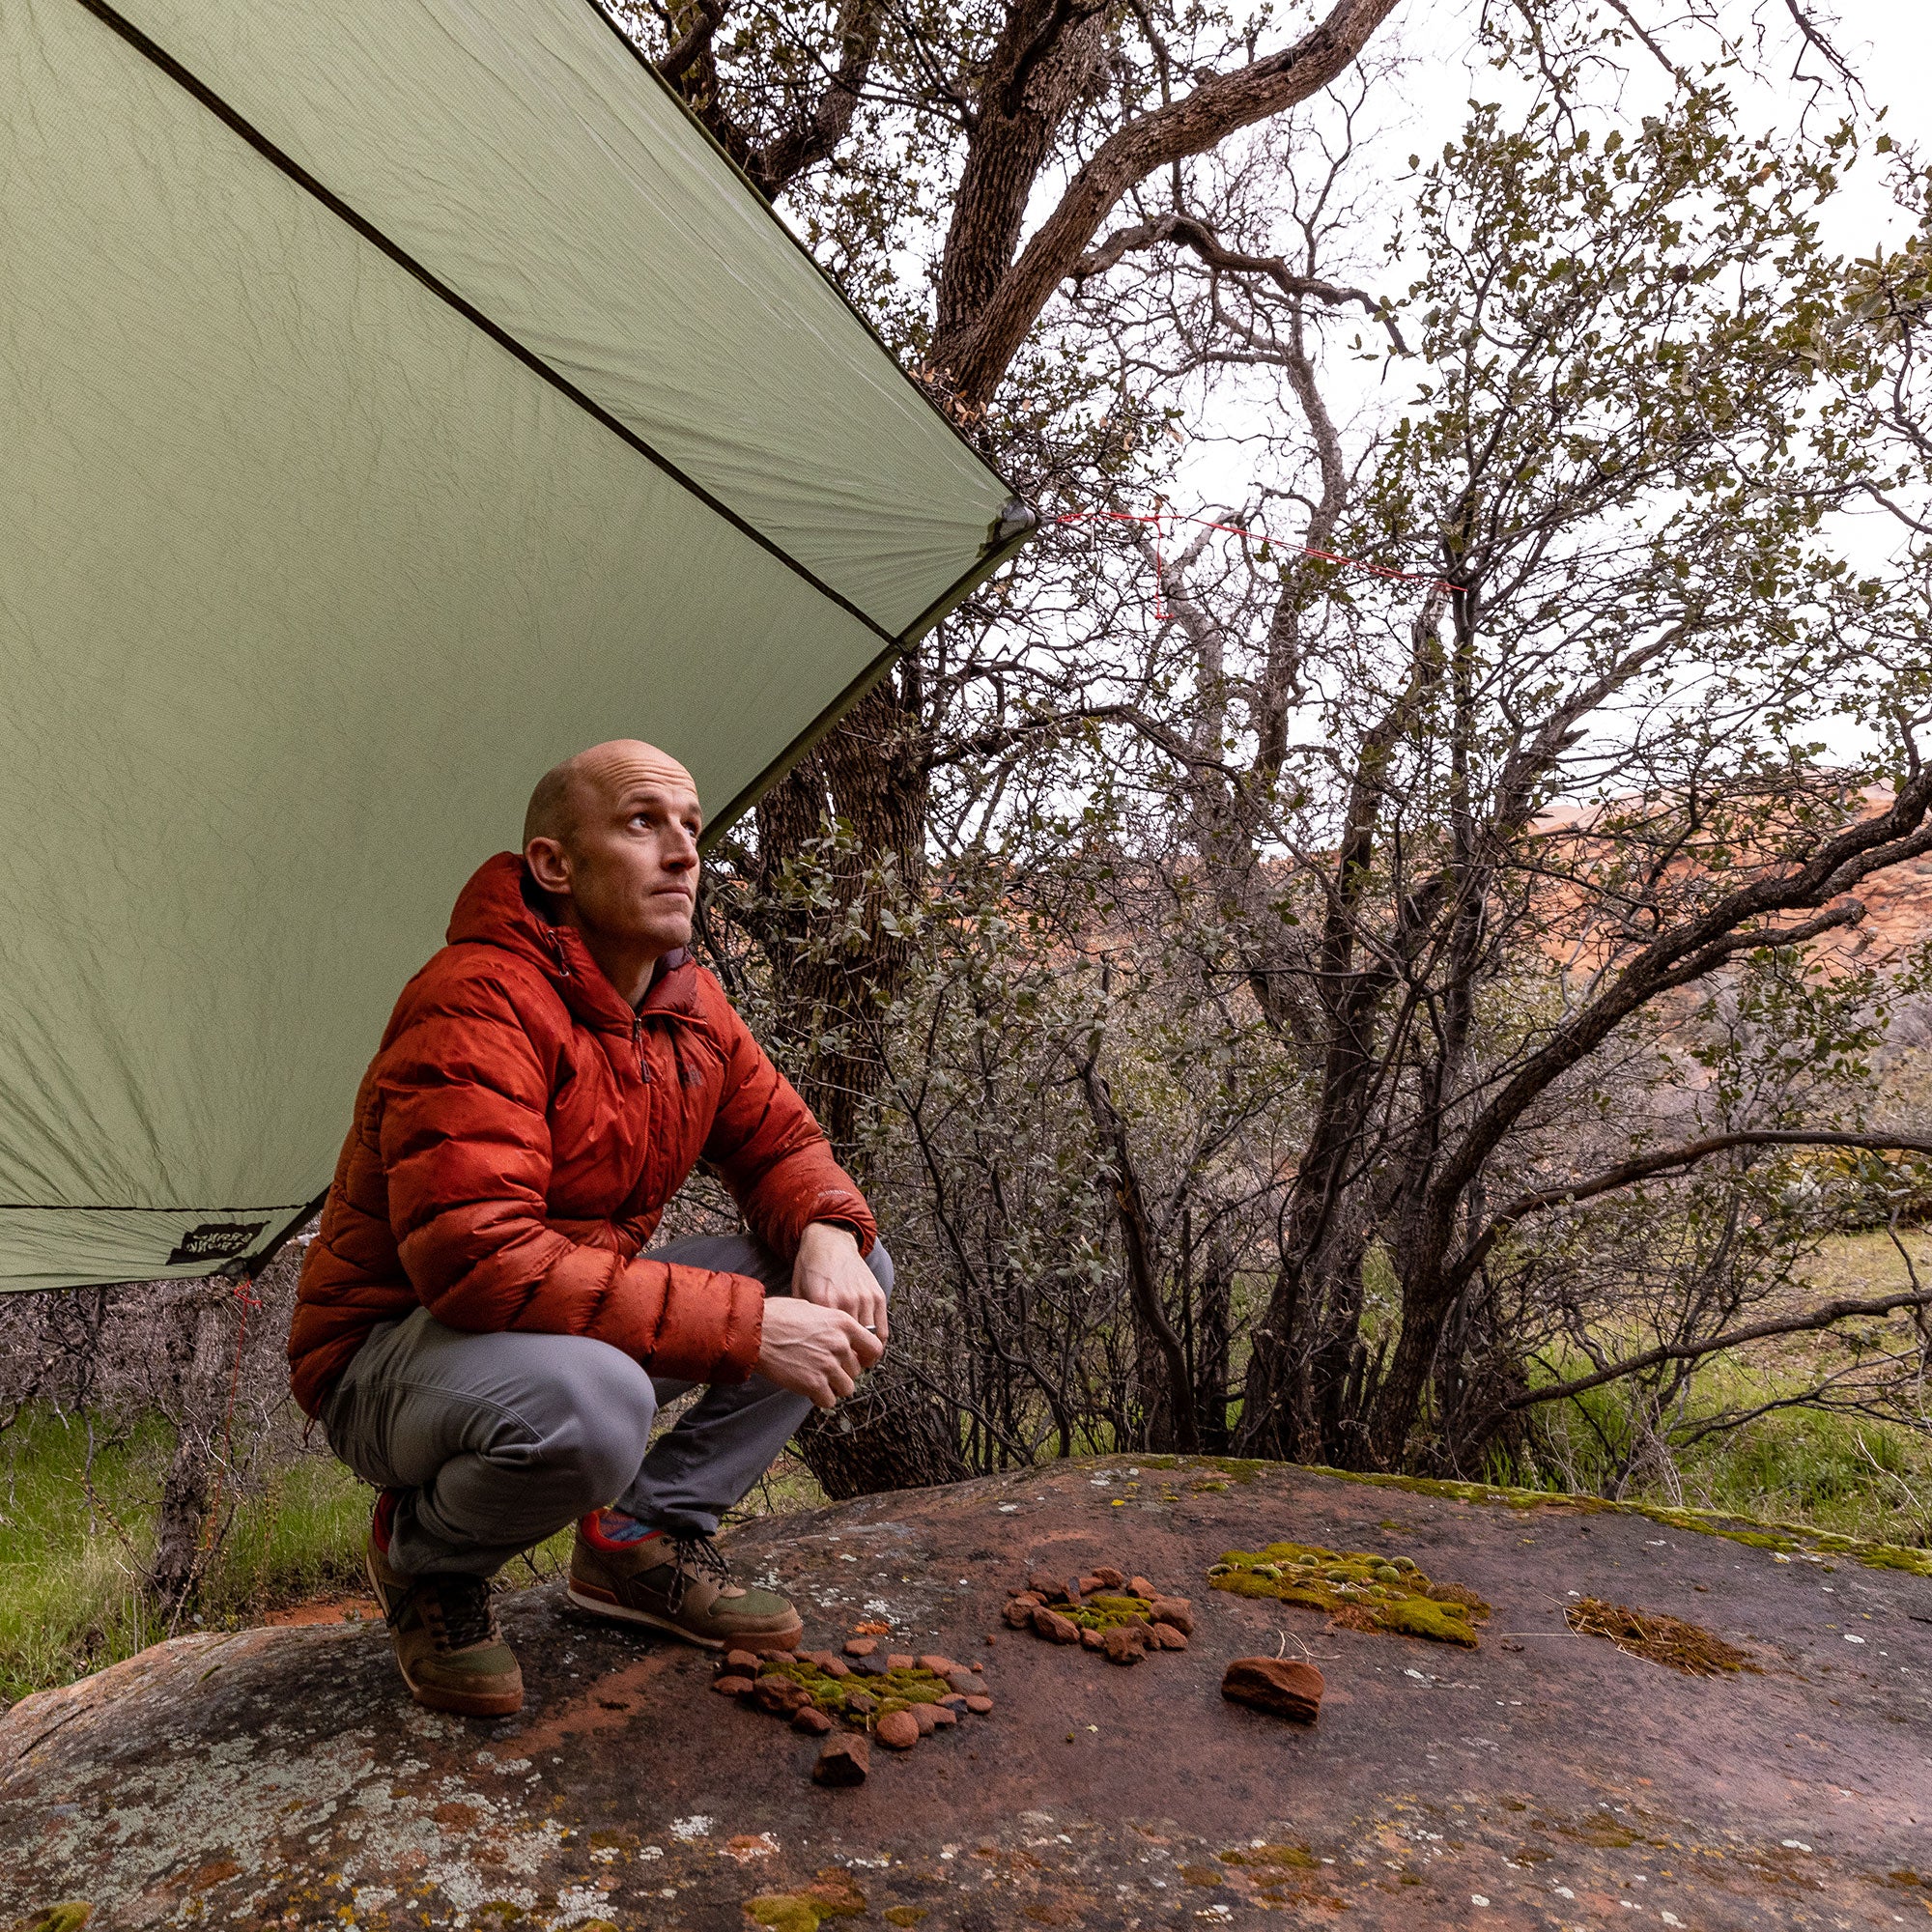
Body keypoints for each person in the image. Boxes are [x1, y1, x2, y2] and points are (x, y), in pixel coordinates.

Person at [288, 740, 888, 1717]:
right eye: (643, 821)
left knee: (857, 1268)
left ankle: (639, 1540)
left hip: (541, 1332)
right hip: (388, 1362)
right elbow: (476, 1259)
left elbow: (782, 1144)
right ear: (553, 864)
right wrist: (744, 1327)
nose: (683, 851)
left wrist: (824, 1226)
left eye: (691, 825)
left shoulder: (685, 1005)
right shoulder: (475, 998)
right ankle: (424, 1557)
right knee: (600, 1401)